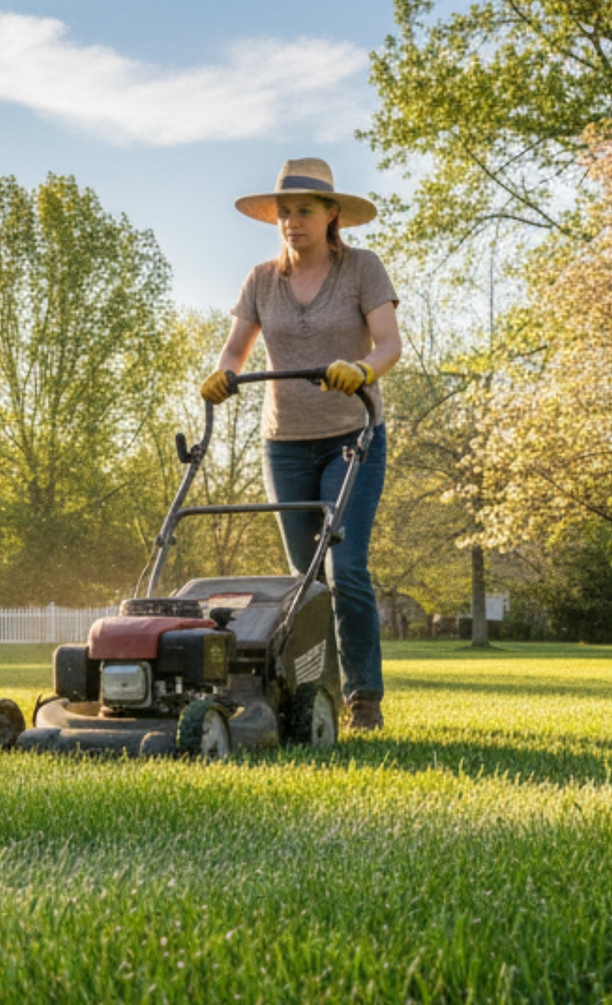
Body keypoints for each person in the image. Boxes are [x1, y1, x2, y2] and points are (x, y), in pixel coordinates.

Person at [199, 158, 401, 731]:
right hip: (284, 444)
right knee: (303, 580)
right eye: (284, 212)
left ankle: (365, 699)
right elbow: (234, 352)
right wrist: (221, 376)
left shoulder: (363, 268)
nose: (292, 221)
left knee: (346, 568)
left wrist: (360, 371)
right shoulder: (262, 279)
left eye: (304, 211)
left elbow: (389, 345)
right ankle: (317, 696)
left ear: (332, 214)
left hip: (352, 439)